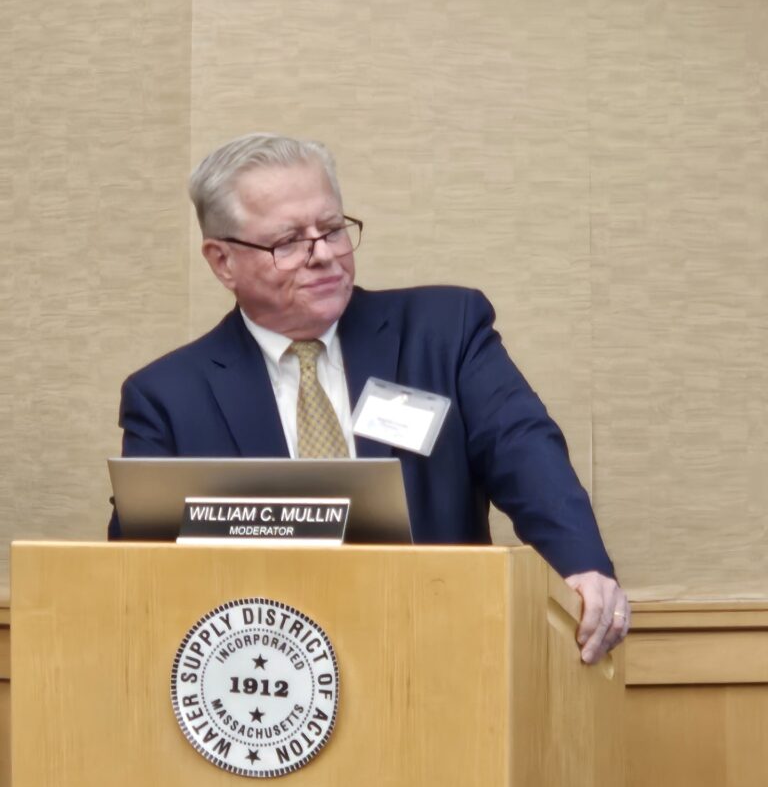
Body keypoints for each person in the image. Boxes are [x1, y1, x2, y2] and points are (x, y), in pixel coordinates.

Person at [112, 132, 630, 663]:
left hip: (438, 655)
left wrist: (581, 565)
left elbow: (522, 446)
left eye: (333, 229)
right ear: (223, 261)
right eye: (288, 242)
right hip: (260, 685)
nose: (324, 256)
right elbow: (139, 572)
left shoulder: (444, 334)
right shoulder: (168, 398)